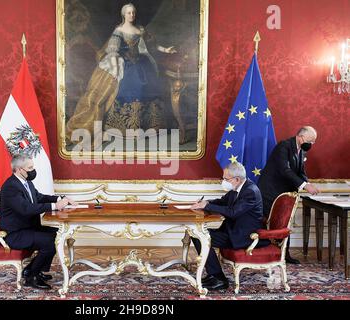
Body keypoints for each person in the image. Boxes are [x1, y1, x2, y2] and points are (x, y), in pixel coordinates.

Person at [66, 3, 176, 145]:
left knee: (149, 86)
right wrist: (114, 62)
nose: (132, 15)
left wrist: (166, 50)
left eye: (133, 13)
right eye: (129, 13)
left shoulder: (140, 29)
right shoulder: (119, 30)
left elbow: (153, 45)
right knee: (130, 85)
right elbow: (112, 48)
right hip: (125, 62)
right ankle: (123, 126)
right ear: (124, 14)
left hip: (142, 63)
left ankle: (148, 126)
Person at [0, 154, 77, 289]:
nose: (33, 170)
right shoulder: (10, 186)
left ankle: (33, 269)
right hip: (15, 233)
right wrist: (55, 207)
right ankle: (31, 277)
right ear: (18, 169)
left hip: (28, 228)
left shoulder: (26, 182)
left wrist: (60, 198)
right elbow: (25, 209)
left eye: (32, 166)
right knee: (49, 241)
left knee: (58, 234)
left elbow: (39, 197)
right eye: (29, 167)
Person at [190, 162, 269, 291]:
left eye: (226, 179)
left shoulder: (250, 191)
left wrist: (207, 207)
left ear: (237, 179)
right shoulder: (237, 189)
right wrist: (205, 203)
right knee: (197, 234)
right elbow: (222, 201)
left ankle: (219, 279)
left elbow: (233, 212)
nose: (223, 181)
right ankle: (213, 275)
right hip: (232, 231)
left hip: (244, 236)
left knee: (200, 236)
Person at [258, 126, 320, 264]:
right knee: (267, 221)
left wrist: (308, 184)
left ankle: (284, 254)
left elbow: (300, 172)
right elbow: (284, 170)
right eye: (310, 141)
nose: (311, 144)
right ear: (301, 137)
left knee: (284, 221)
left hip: (285, 193)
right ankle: (262, 253)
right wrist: (305, 186)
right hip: (270, 191)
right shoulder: (284, 146)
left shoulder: (302, 150)